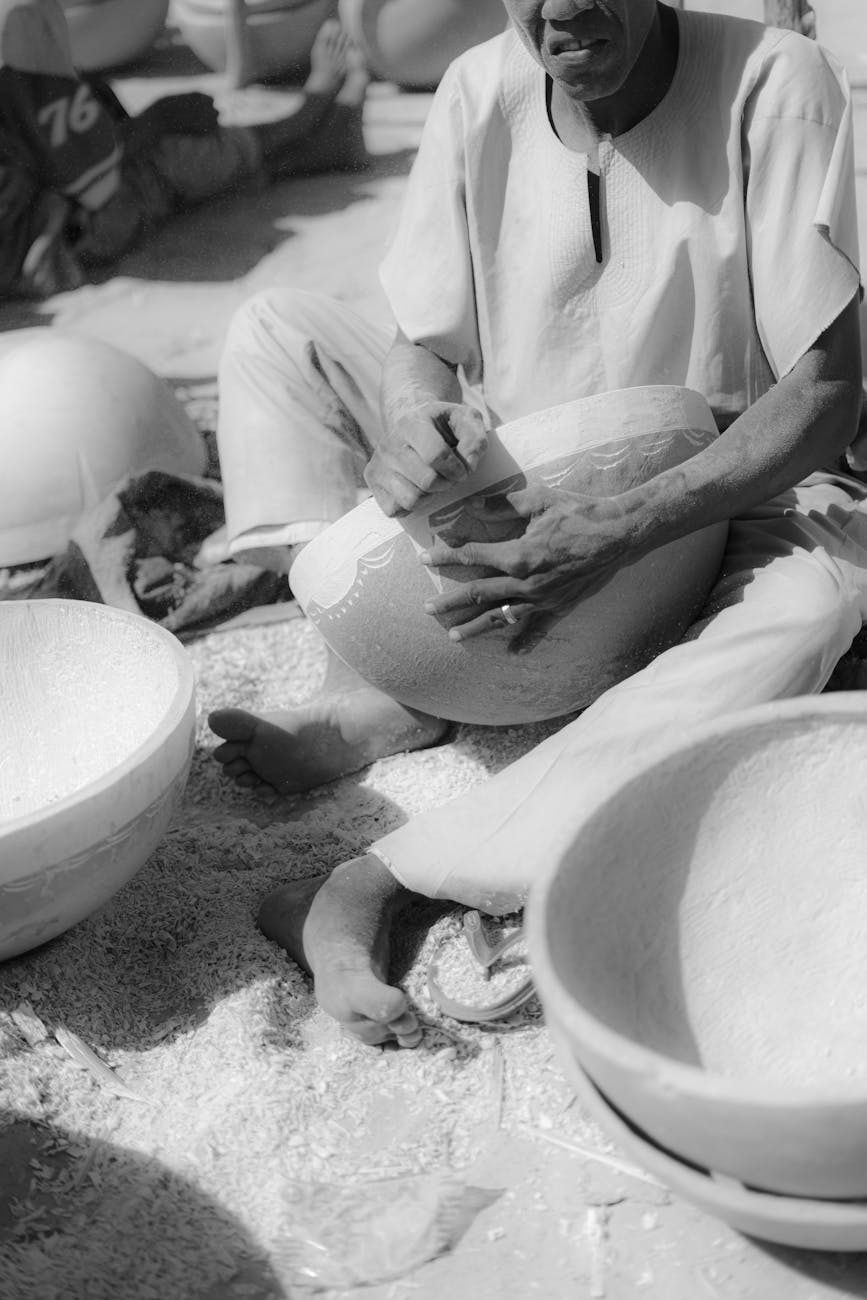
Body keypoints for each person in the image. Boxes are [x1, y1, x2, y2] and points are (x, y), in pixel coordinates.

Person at [209, 0, 865, 1048]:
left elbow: (828, 393)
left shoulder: (775, 81)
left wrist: (628, 521)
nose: (565, 6)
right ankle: (374, 693)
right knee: (275, 334)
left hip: (732, 492)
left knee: (814, 602)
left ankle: (386, 875)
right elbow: (421, 346)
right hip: (523, 457)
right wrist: (414, 419)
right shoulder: (478, 89)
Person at [0, 1, 369, 297]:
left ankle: (322, 149)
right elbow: (75, 174)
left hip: (48, 218)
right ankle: (302, 122)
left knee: (107, 115)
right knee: (165, 159)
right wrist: (156, 122)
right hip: (61, 239)